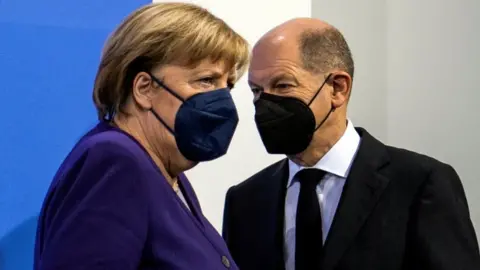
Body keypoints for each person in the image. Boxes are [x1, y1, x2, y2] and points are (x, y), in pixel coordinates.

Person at [222, 17, 480, 270]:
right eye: (257, 91)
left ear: (337, 88)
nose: (265, 104)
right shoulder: (245, 201)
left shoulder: (420, 183)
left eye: (283, 85)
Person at [33, 3, 249, 270]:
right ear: (144, 89)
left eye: (227, 85)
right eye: (206, 80)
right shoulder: (115, 161)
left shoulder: (168, 174)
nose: (222, 99)